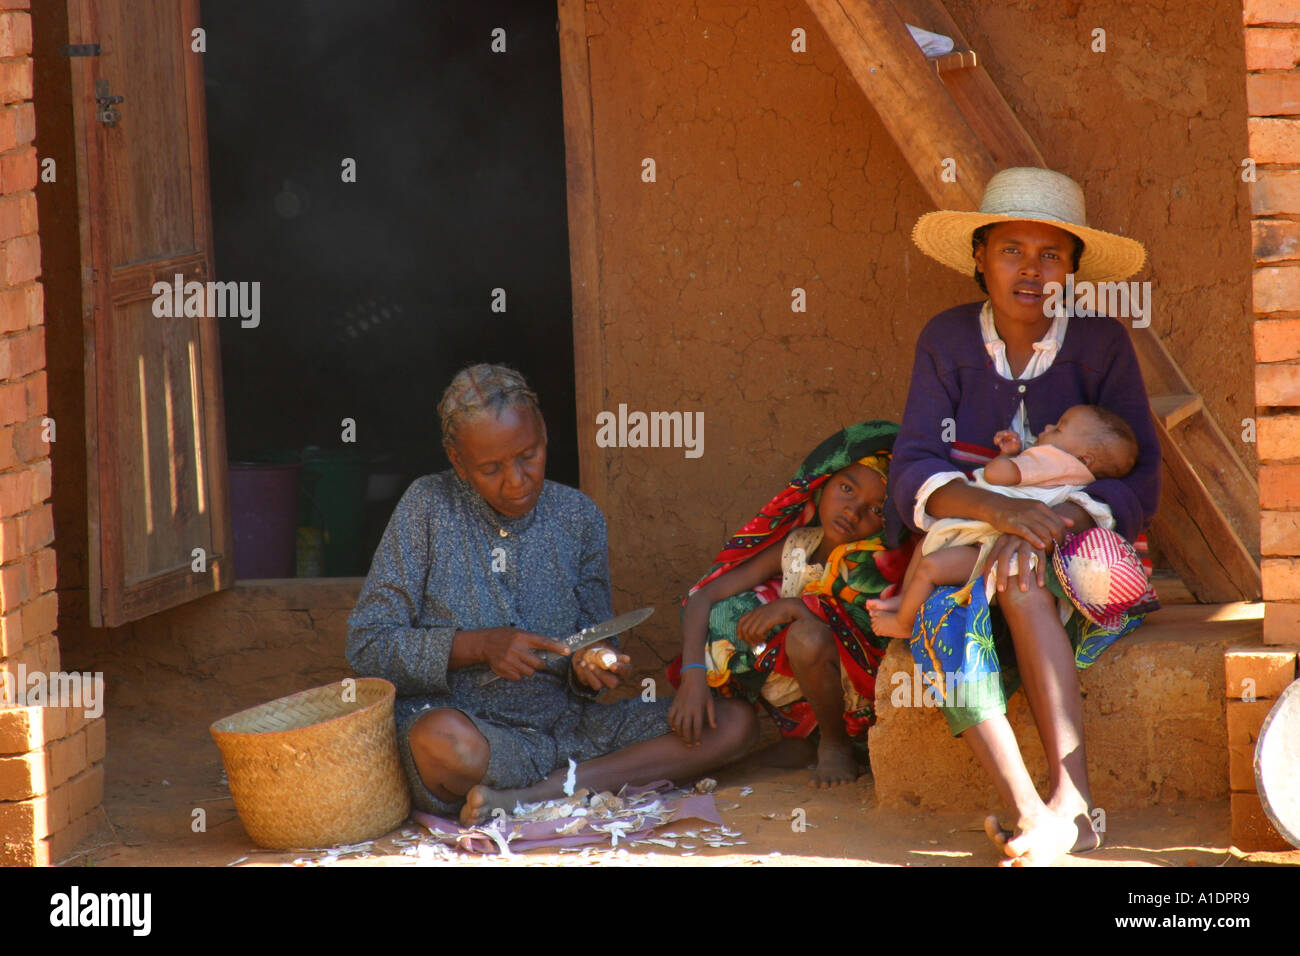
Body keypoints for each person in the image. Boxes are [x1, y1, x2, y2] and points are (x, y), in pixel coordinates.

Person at [886, 167, 1162, 866]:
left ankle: (1074, 801)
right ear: (979, 257)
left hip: (1074, 546)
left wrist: (1054, 525)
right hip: (974, 527)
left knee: (1020, 576)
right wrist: (1003, 510)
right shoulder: (947, 340)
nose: (1031, 270)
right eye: (1012, 250)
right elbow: (914, 465)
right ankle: (1027, 809)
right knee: (952, 609)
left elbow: (1142, 478)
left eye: (1051, 255)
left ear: (1072, 269)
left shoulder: (1099, 344)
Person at [346, 364, 757, 826]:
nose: (517, 480)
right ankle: (572, 785)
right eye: (490, 468)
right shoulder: (426, 507)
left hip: (571, 731)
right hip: (477, 734)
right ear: (457, 461)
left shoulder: (578, 517)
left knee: (733, 724)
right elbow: (368, 644)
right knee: (440, 743)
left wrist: (591, 664)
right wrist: (477, 646)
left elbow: (595, 641)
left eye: (529, 454)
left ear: (544, 432)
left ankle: (531, 796)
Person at [668, 421, 913, 788]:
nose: (853, 511)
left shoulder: (880, 565)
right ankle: (799, 739)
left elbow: (876, 642)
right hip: (798, 697)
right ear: (822, 485)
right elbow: (704, 596)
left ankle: (834, 743)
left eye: (877, 510)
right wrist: (692, 675)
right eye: (846, 488)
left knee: (804, 636)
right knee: (729, 612)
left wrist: (799, 609)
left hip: (856, 708)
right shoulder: (798, 543)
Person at [869, 404, 1139, 640]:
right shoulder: (1076, 477)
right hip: (992, 542)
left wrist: (1008, 457)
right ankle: (906, 600)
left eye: (1058, 429)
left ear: (1084, 458)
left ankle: (904, 623)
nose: (1048, 427)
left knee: (929, 563)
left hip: (988, 544)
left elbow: (997, 474)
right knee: (927, 550)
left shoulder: (1052, 460)